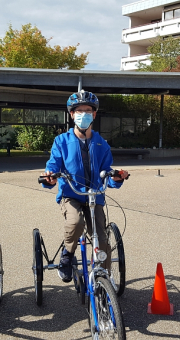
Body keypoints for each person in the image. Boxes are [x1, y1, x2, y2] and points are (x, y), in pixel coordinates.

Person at [40, 90, 129, 283]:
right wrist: (50, 178)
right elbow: (52, 167)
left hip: (94, 196)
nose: (83, 114)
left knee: (102, 239)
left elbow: (107, 171)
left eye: (88, 110)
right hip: (71, 195)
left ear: (94, 114)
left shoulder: (101, 143)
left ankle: (104, 275)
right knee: (75, 222)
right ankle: (67, 255)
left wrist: (118, 177)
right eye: (79, 111)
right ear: (71, 114)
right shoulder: (61, 141)